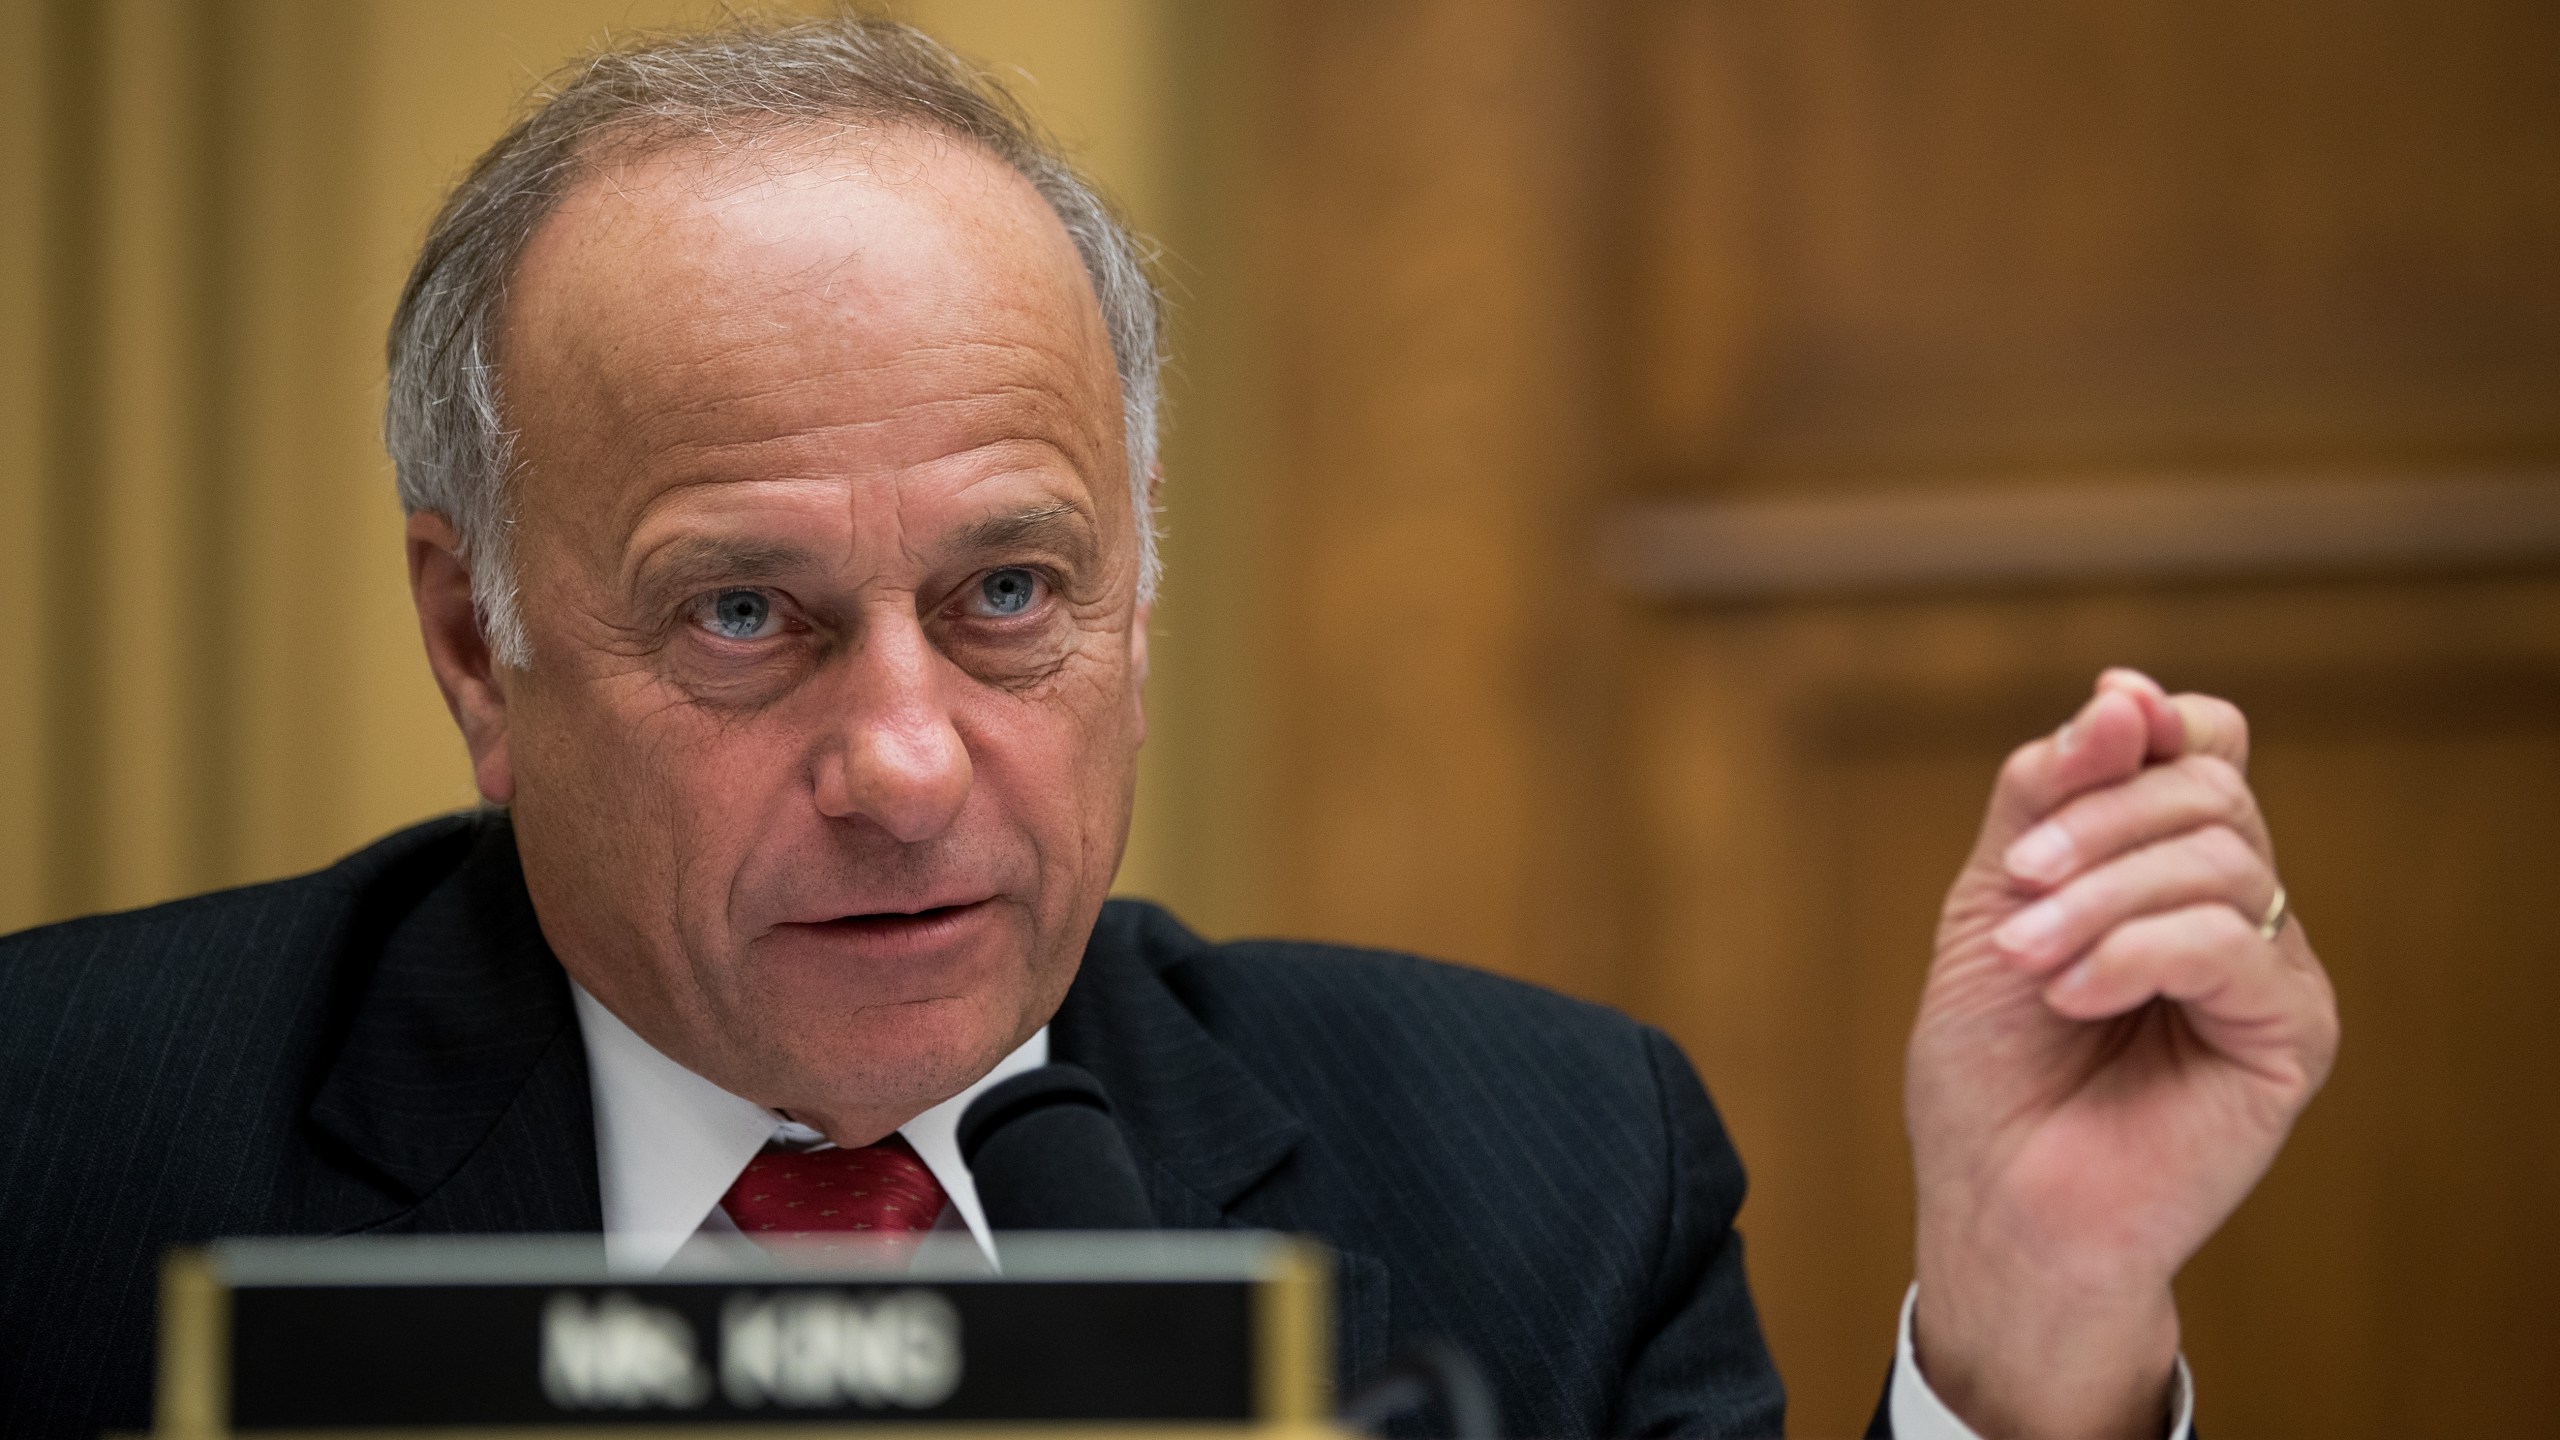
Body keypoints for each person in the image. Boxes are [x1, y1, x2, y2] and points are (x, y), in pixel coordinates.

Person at [0, 18, 2337, 1440]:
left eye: (1008, 594)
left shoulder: (1537, 1178)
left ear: (1140, 576)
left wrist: (2035, 1339)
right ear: (476, 646)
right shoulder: (62, 1150)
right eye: (745, 615)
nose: (906, 760)